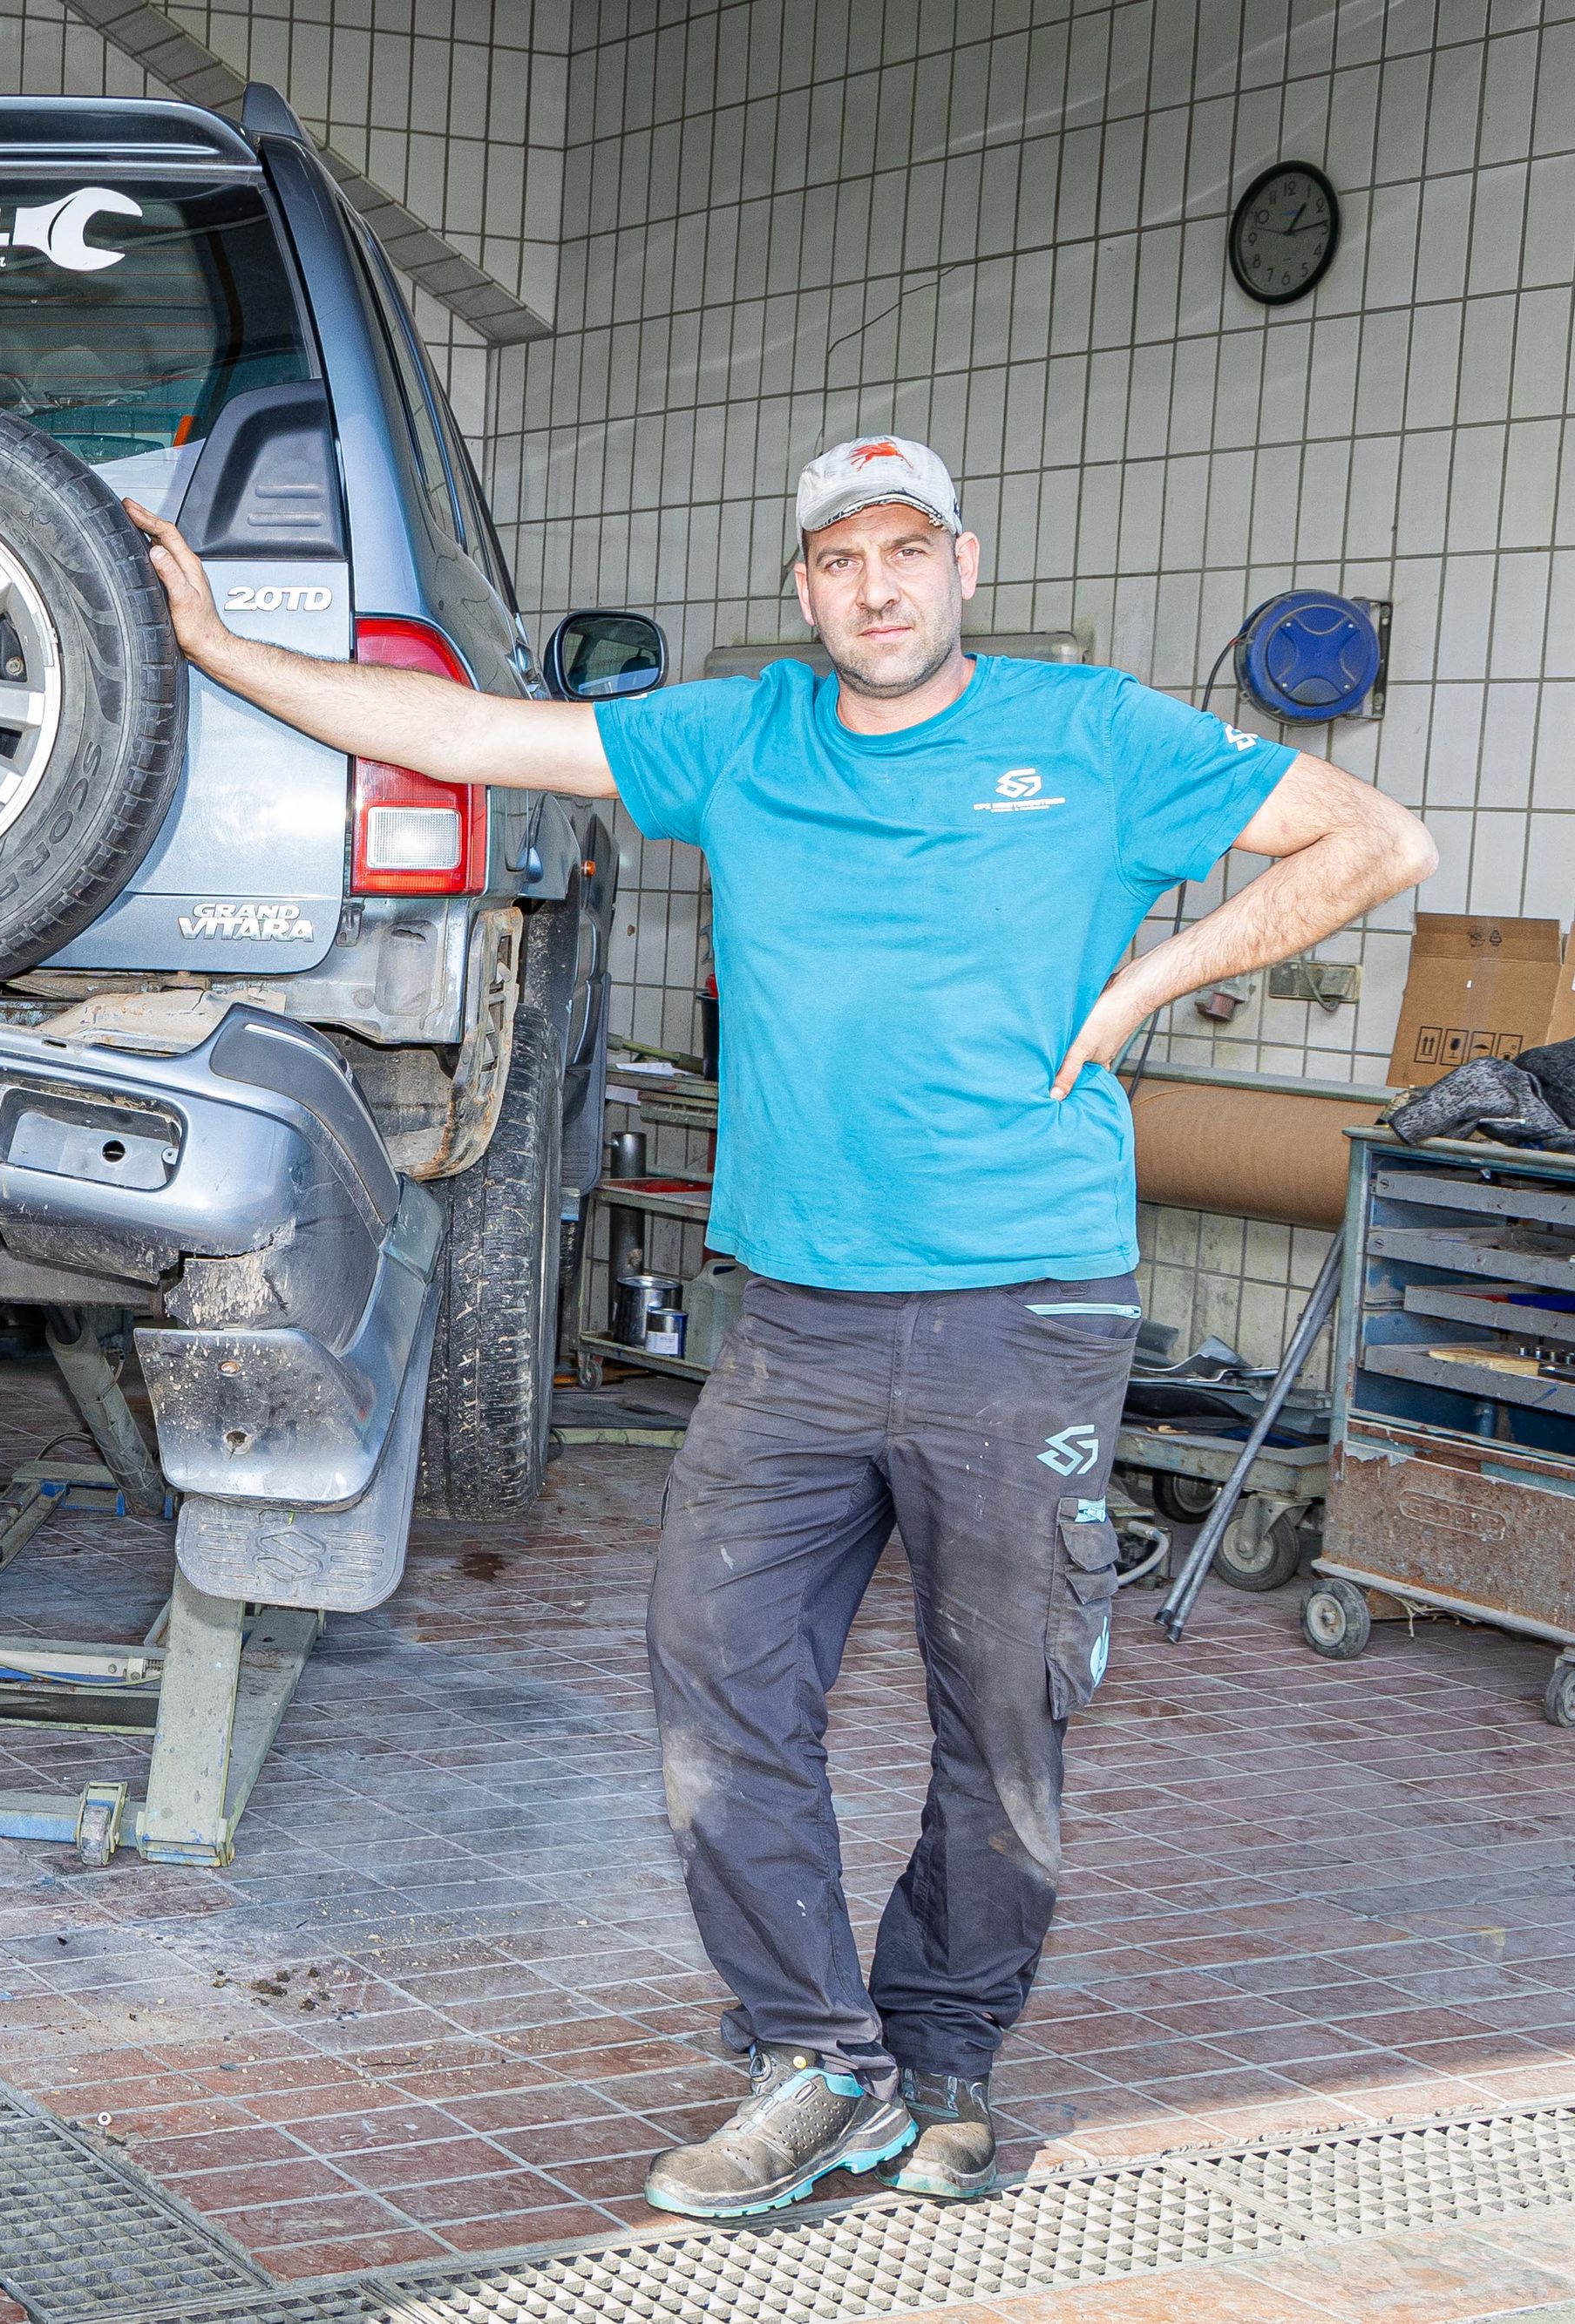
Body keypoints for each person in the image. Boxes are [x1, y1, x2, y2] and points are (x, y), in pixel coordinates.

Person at [126, 437, 1434, 2217]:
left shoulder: (1095, 735)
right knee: (716, 1682)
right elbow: (457, 733)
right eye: (837, 559)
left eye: (905, 550)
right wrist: (212, 645)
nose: (874, 586)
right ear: (801, 587)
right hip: (800, 1322)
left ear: (959, 563)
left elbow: (1373, 837)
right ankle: (811, 2053)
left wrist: (1140, 983)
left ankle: (946, 2060)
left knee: (1004, 1723)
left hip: (1022, 1309)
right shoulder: (738, 737)